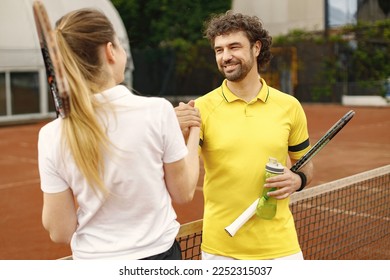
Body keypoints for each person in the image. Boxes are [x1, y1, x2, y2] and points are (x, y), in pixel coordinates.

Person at [37, 8, 201, 260]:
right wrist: (194, 132)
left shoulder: (51, 135)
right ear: (110, 51)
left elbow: (60, 231)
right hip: (159, 257)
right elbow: (183, 192)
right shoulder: (158, 112)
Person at [175, 11, 314, 260]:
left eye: (234, 47)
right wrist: (177, 134)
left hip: (281, 248)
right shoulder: (201, 109)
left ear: (256, 48)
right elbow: (182, 180)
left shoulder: (289, 106)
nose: (226, 56)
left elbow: (306, 164)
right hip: (221, 251)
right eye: (219, 50)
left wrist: (298, 180)